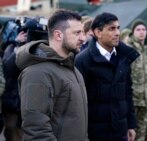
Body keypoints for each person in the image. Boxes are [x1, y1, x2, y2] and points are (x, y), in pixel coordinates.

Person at [16, 9, 88, 141]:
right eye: (77, 33)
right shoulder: (37, 73)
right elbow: (37, 131)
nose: (83, 38)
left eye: (83, 32)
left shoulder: (72, 69)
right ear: (58, 35)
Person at [75, 12, 138, 141]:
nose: (117, 33)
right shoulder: (83, 60)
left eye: (118, 28)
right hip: (94, 133)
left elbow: (127, 94)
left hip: (120, 130)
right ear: (98, 32)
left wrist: (130, 125)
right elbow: (78, 103)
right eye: (111, 29)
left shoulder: (124, 57)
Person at [127, 19, 147, 141]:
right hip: (132, 97)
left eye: (143, 30)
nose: (141, 32)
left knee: (142, 129)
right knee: (129, 131)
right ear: (133, 32)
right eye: (138, 30)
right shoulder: (127, 49)